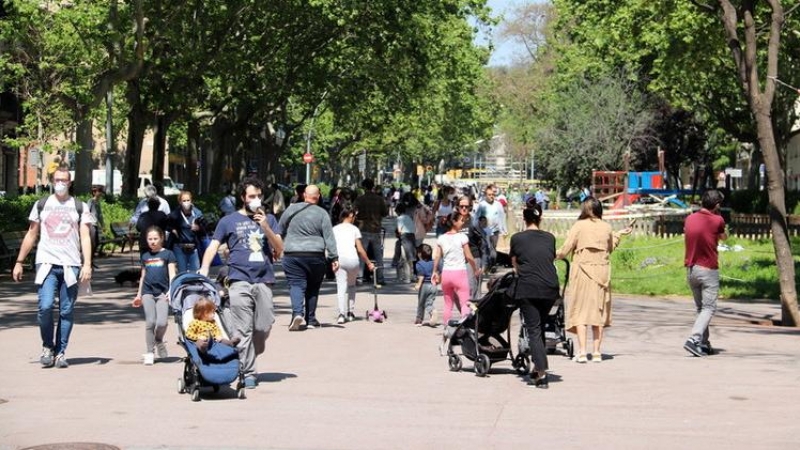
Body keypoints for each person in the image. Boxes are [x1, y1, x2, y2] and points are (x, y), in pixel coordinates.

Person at [199, 176, 283, 389]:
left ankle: (253, 353)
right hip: (238, 279)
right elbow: (213, 245)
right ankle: (249, 372)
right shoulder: (228, 221)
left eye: (258, 196)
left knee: (263, 327)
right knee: (243, 329)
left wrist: (265, 226)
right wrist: (204, 268)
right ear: (243, 198)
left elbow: (280, 250)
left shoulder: (270, 219)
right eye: (251, 196)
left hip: (264, 279)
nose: (256, 199)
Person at [12, 165, 96, 369]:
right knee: (45, 306)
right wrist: (19, 262)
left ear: (70, 182)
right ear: (52, 180)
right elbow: (32, 233)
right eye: (57, 179)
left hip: (71, 265)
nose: (60, 183)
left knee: (66, 311)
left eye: (64, 180)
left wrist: (87, 264)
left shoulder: (79, 206)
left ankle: (61, 352)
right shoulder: (42, 204)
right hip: (46, 263)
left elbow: (85, 236)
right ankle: (47, 347)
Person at [556, 197, 631, 363]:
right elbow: (610, 247)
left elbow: (565, 249)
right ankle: (597, 352)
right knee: (598, 311)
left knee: (581, 311)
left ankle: (582, 352)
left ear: (586, 209)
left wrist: (550, 254)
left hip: (583, 271)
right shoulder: (606, 227)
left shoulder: (579, 226)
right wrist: (619, 235)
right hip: (602, 273)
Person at [510, 200, 560, 388]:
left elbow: (515, 262)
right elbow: (548, 258)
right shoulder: (550, 237)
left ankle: (541, 371)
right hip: (550, 288)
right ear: (541, 218)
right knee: (538, 327)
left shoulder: (517, 239)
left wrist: (520, 270)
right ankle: (537, 367)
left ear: (524, 219)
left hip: (529, 287)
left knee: (534, 330)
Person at [280, 185, 339, 331]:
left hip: (292, 253)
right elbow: (329, 237)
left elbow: (279, 229)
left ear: (304, 195)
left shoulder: (291, 209)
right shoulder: (322, 213)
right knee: (313, 287)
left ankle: (297, 314)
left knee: (296, 284)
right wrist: (334, 257)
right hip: (316, 254)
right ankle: (311, 319)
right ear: (318, 196)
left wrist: (276, 248)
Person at [683, 190, 727, 357]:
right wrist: (719, 217)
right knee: (709, 308)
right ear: (716, 205)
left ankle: (703, 344)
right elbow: (724, 237)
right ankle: (694, 339)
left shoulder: (689, 218)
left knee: (701, 309)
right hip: (708, 269)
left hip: (691, 269)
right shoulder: (717, 220)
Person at [132, 226, 176, 365]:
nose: (152, 241)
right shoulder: (145, 256)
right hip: (147, 292)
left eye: (155, 238)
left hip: (163, 292)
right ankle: (150, 352)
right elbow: (143, 276)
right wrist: (139, 294)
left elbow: (172, 274)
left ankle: (158, 339)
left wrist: (172, 290)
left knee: (162, 322)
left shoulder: (168, 254)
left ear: (161, 238)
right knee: (150, 322)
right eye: (150, 239)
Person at [432, 212, 481, 325]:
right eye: (461, 220)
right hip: (460, 273)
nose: (463, 223)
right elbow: (469, 256)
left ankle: (446, 328)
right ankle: (465, 326)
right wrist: (475, 269)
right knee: (465, 303)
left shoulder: (442, 238)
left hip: (446, 274)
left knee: (448, 304)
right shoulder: (462, 237)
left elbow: (437, 256)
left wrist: (435, 271)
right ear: (454, 222)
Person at [332, 207, 375, 324]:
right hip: (353, 260)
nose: (355, 218)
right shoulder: (354, 229)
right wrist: (369, 263)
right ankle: (350, 313)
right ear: (350, 215)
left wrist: (332, 260)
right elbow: (360, 249)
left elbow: (331, 247)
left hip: (340, 259)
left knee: (341, 288)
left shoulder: (334, 229)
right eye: (354, 216)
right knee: (351, 286)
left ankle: (341, 314)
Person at [354, 178, 388, 285]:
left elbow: (354, 212)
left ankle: (359, 278)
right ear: (373, 186)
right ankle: (380, 278)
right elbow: (385, 213)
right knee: (378, 255)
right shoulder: (379, 199)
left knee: (361, 254)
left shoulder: (360, 199)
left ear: (364, 187)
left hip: (363, 229)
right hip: (376, 229)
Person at [167, 190, 205, 273]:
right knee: (182, 272)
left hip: (194, 247)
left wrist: (199, 228)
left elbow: (204, 231)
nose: (186, 202)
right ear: (180, 202)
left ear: (191, 201)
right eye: (184, 201)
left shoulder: (197, 213)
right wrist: (173, 230)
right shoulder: (175, 214)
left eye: (188, 200)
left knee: (195, 271)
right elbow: (166, 224)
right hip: (179, 247)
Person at [475, 185, 506, 251]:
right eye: (489, 195)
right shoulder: (481, 205)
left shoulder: (498, 204)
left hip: (495, 232)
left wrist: (504, 230)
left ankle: (492, 260)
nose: (491, 196)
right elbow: (476, 218)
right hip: (484, 232)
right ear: (485, 195)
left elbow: (502, 217)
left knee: (493, 249)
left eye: (493, 194)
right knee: (485, 249)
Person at [414, 244, 438, 327]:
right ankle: (432, 311)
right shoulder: (434, 263)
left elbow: (421, 276)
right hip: (433, 285)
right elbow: (438, 272)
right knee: (429, 302)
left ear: (420, 254)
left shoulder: (419, 264)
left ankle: (419, 319)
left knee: (421, 303)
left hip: (424, 285)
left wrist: (418, 285)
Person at [395, 203, 417, 283]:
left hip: (405, 237)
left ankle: (407, 278)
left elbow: (399, 230)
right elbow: (414, 229)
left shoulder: (399, 218)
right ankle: (412, 276)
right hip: (412, 236)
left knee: (405, 259)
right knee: (411, 258)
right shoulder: (409, 217)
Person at [87, 185, 105, 256]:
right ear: (94, 192)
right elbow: (87, 211)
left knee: (96, 242)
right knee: (93, 242)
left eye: (101, 192)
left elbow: (100, 215)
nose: (100, 193)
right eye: (99, 191)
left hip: (96, 224)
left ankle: (91, 258)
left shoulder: (98, 202)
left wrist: (103, 225)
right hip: (91, 224)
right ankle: (89, 259)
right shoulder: (91, 201)